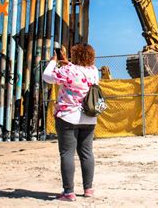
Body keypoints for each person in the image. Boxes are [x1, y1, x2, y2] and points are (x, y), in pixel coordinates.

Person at [42, 43, 99, 201]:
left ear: (75, 56)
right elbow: (77, 72)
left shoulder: (68, 70)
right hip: (89, 117)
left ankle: (69, 192)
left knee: (67, 154)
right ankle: (88, 189)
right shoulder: (94, 71)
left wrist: (54, 61)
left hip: (68, 117)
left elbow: (47, 77)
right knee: (87, 153)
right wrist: (66, 62)